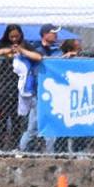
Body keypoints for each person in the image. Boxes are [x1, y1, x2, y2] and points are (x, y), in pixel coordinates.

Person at [18, 23, 61, 153]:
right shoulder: (35, 49)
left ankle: (50, 153)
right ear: (45, 34)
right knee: (33, 127)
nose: (56, 35)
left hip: (53, 93)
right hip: (38, 93)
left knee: (51, 126)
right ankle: (22, 150)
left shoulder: (56, 50)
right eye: (53, 32)